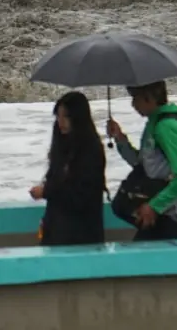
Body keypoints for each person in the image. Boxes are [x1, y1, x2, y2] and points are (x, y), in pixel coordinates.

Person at [107, 81, 177, 241]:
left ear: (150, 97)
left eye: (136, 98)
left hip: (174, 216)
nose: (133, 103)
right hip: (163, 212)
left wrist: (154, 206)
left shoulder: (166, 127)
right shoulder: (154, 123)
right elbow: (143, 165)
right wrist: (120, 139)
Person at [30, 91, 107, 246]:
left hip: (81, 232)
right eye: (58, 116)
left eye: (66, 116)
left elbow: (82, 194)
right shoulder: (62, 147)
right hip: (58, 228)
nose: (61, 122)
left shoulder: (90, 150)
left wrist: (46, 191)